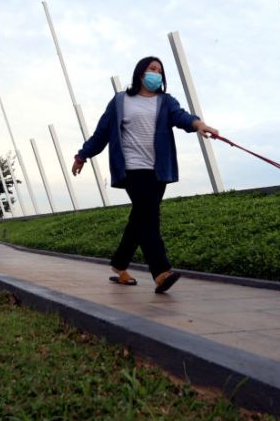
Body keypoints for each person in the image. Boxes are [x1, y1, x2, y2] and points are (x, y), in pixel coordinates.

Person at [72, 56, 218, 293]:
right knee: (149, 217)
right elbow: (102, 133)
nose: (156, 74)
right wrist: (82, 155)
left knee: (140, 217)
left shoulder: (165, 101)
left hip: (158, 170)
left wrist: (198, 124)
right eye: (152, 69)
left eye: (160, 71)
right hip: (131, 168)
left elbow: (181, 116)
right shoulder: (120, 101)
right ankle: (161, 272)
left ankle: (119, 265)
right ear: (140, 73)